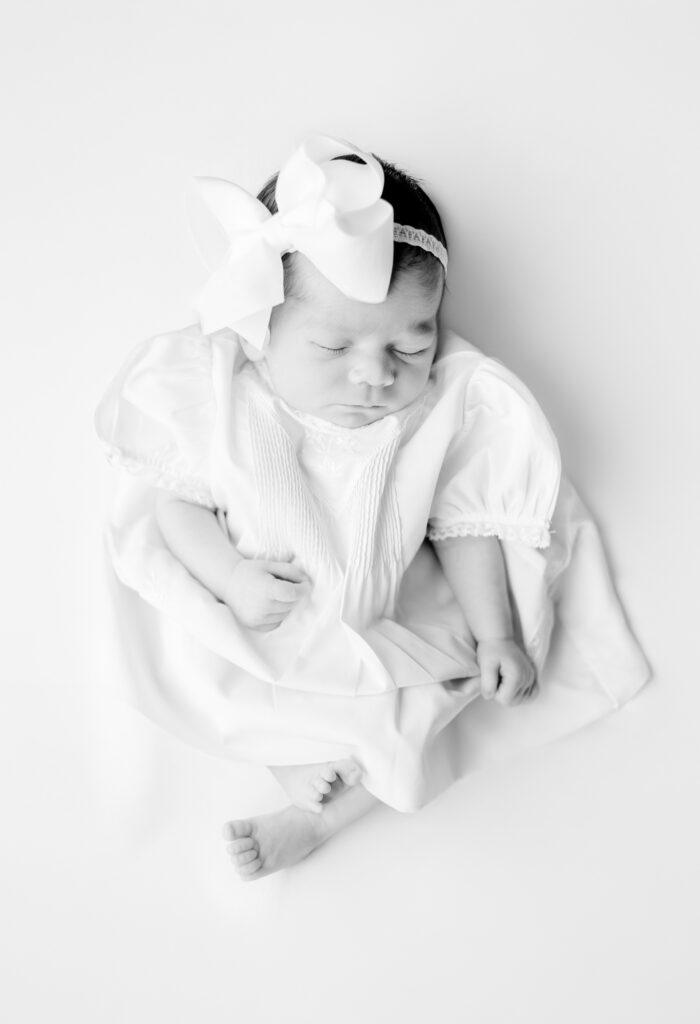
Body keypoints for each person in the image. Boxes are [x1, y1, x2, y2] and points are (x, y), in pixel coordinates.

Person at [94, 135, 650, 881]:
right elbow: (175, 513)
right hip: (264, 622)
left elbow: (465, 526)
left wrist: (495, 636)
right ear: (262, 331)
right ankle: (286, 758)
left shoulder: (437, 413)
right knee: (204, 671)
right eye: (333, 347)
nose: (374, 375)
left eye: (410, 347)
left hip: (378, 631)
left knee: (425, 715)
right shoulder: (231, 399)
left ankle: (315, 817)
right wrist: (229, 577)